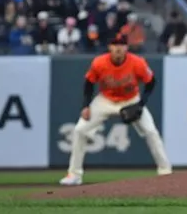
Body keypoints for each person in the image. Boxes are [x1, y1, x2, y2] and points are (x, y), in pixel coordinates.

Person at [59, 34, 173, 186]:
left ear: (126, 47)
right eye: (115, 44)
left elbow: (151, 82)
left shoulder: (137, 62)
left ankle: (166, 172)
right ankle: (74, 174)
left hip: (131, 100)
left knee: (151, 132)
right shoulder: (99, 62)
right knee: (80, 130)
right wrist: (85, 106)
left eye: (121, 44)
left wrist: (140, 105)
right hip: (105, 100)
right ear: (109, 47)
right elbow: (89, 83)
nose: (118, 47)